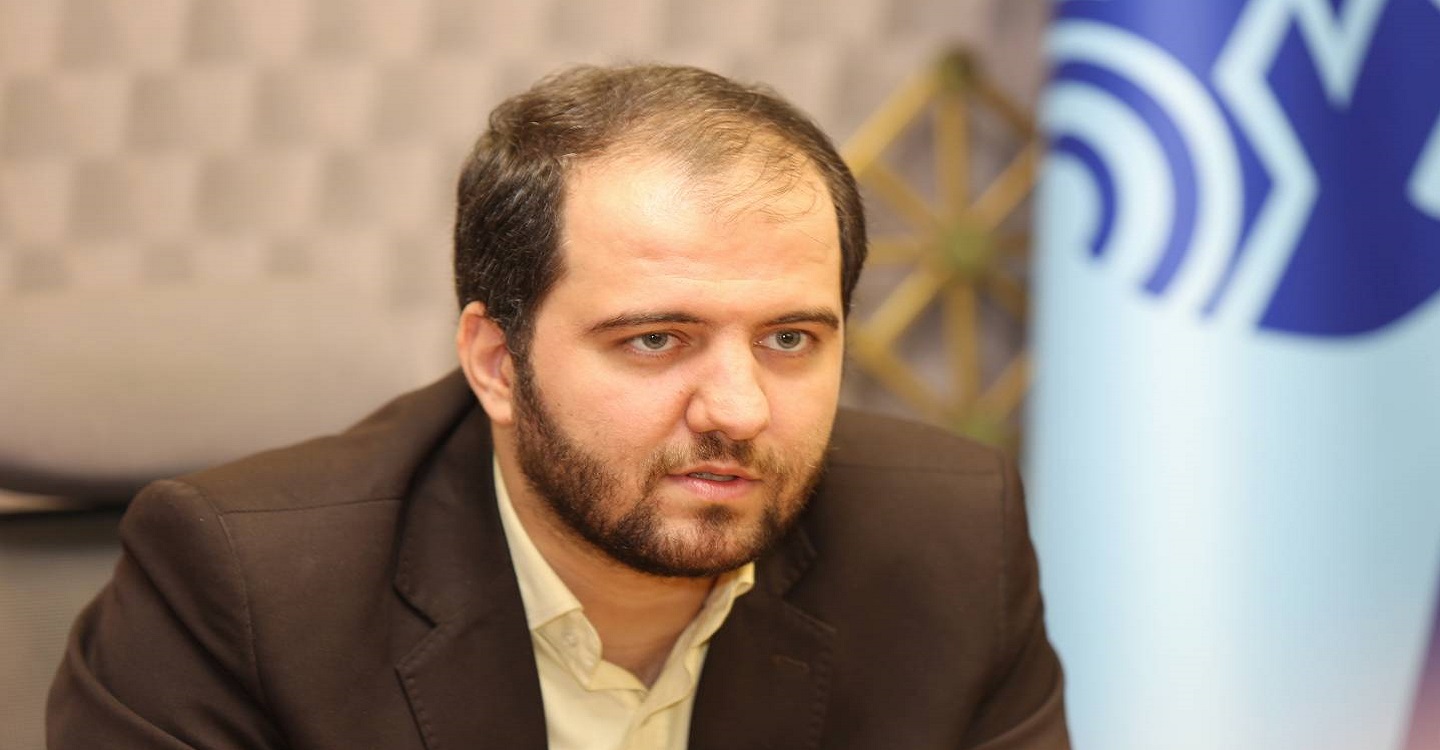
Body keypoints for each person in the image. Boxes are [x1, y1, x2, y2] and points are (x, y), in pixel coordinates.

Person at [48, 64, 1069, 749]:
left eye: (790, 339)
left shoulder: (948, 540)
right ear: (496, 362)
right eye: (656, 339)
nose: (739, 409)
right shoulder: (243, 586)